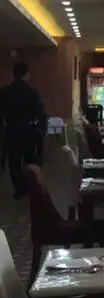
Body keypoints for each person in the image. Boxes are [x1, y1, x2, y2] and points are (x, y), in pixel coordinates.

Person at [0, 62, 47, 199]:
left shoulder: (5, 91)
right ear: (26, 74)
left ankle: (20, 188)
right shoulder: (31, 91)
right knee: (29, 159)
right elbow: (40, 112)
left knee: (14, 162)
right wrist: (42, 128)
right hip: (28, 130)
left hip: (12, 130)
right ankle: (31, 185)